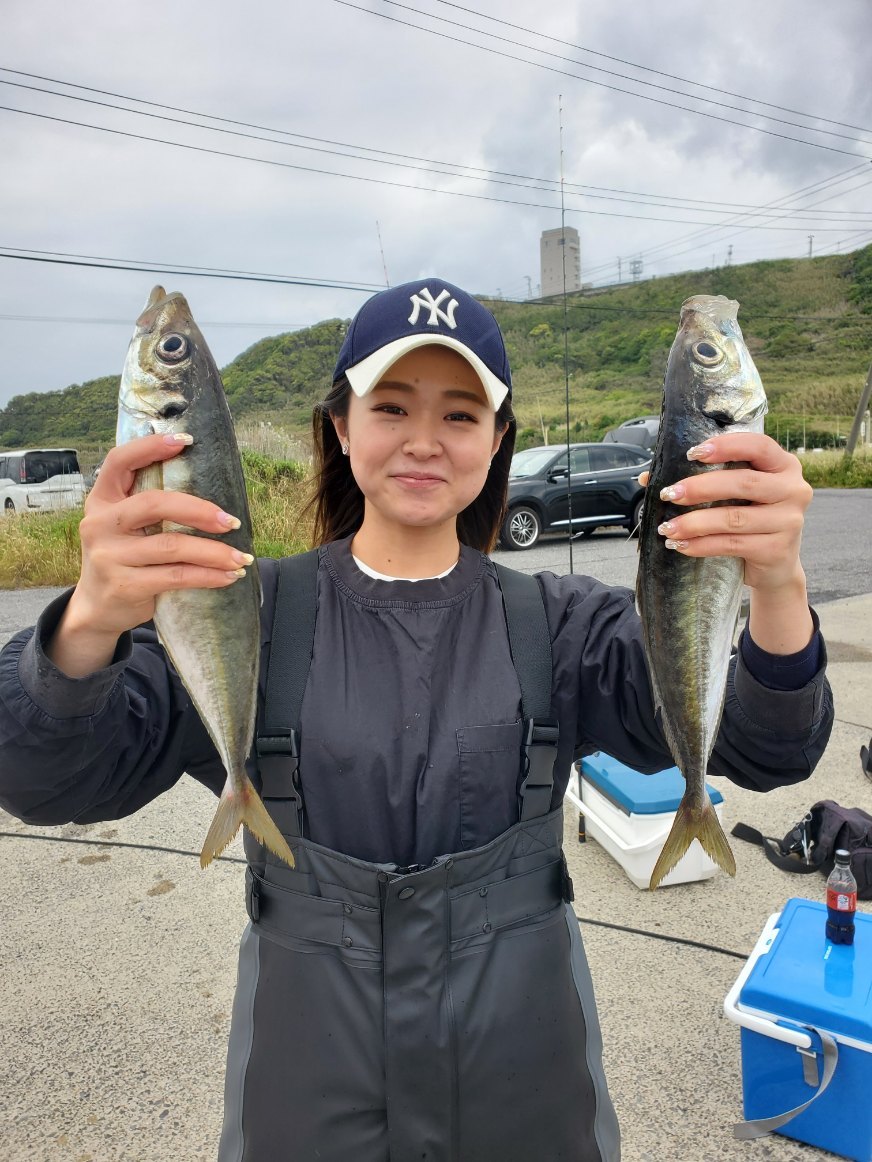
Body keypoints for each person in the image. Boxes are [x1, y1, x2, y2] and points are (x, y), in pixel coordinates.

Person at [0, 278, 833, 1162]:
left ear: (498, 440)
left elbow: (766, 748)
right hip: (305, 1100)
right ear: (340, 426)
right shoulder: (239, 616)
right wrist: (88, 621)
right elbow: (45, 782)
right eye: (391, 406)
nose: (424, 441)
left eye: (461, 415)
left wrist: (778, 582)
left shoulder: (564, 627)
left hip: (530, 1093)